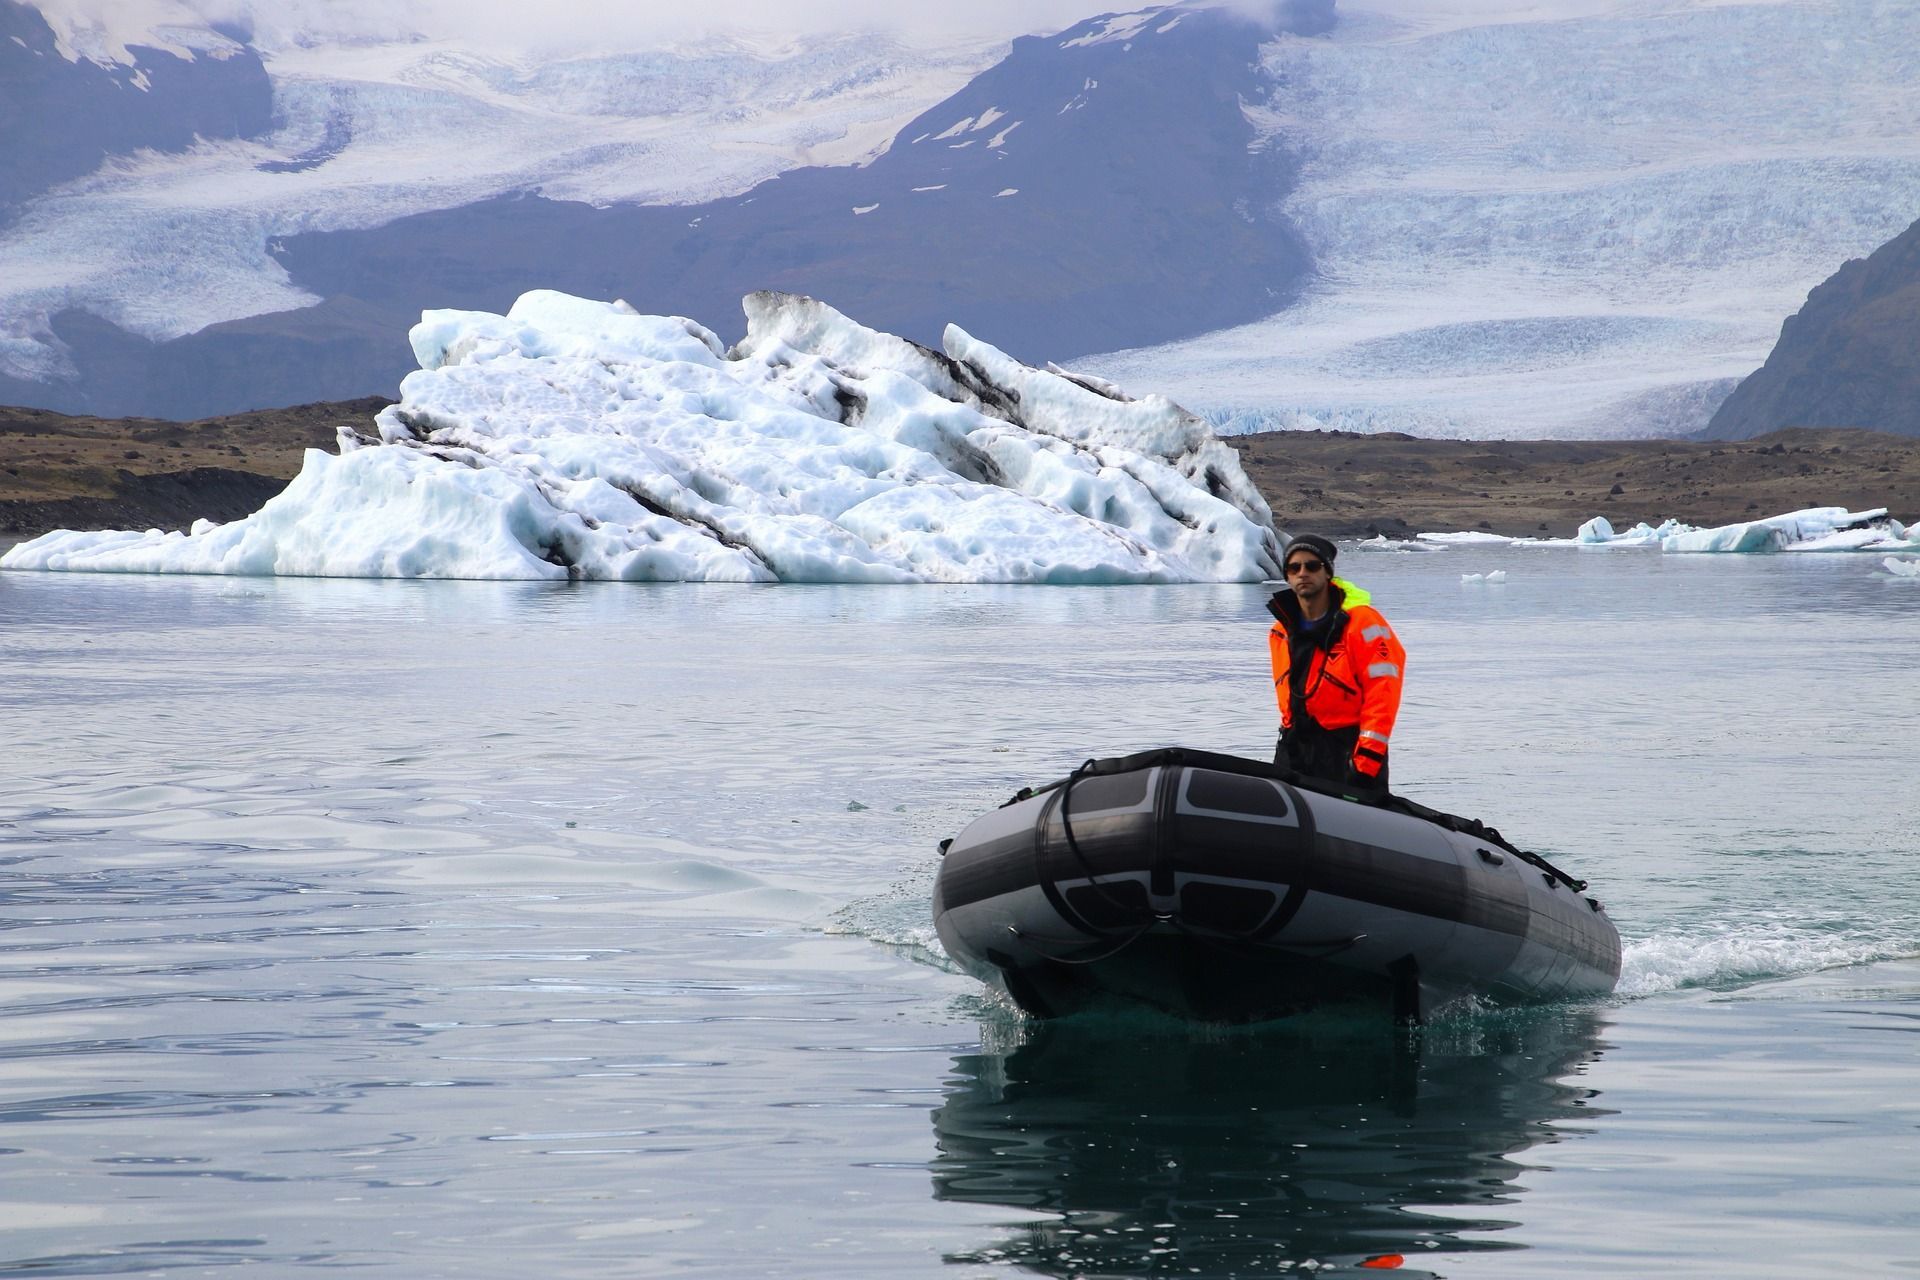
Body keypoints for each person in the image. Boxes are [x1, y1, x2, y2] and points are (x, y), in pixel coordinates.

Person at [1266, 533, 1405, 797]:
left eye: (1312, 566)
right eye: (1294, 568)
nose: (1303, 573)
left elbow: (1383, 692)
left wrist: (1366, 760)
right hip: (1295, 749)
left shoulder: (1363, 623)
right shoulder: (1279, 632)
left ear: (1328, 571)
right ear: (1286, 576)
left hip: (1346, 750)